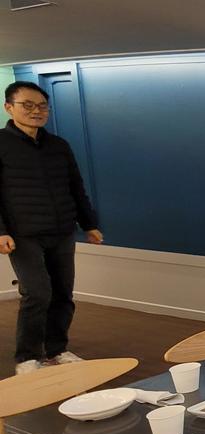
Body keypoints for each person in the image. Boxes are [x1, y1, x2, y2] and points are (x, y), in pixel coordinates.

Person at [1, 81, 103, 374]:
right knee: (37, 293)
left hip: (61, 231)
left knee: (62, 294)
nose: (37, 111)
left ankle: (56, 350)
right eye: (28, 105)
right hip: (22, 233)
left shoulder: (58, 146)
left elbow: (76, 187)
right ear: (9, 107)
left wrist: (89, 224)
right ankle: (27, 357)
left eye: (42, 106)